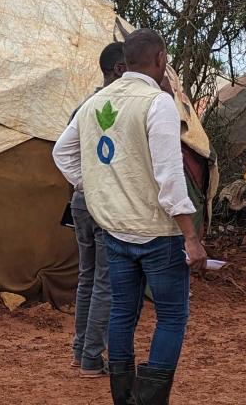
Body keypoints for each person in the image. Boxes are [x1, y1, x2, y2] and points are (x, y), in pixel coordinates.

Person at [68, 28, 207, 404]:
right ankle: (147, 401)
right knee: (172, 316)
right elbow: (169, 174)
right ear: (160, 59)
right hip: (159, 233)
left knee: (122, 314)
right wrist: (191, 237)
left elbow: (63, 154)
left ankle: (124, 397)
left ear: (125, 61)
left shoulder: (97, 101)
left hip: (115, 230)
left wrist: (99, 188)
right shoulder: (157, 102)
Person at [52, 41, 126, 377]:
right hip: (104, 204)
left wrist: (82, 183)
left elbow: (64, 153)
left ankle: (80, 350)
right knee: (106, 282)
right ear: (120, 69)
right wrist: (95, 185)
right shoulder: (120, 107)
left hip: (81, 203)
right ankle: (93, 357)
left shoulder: (84, 106)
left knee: (87, 279)